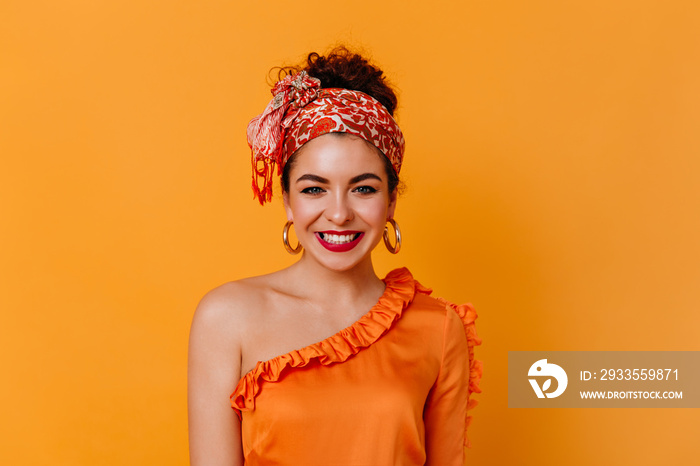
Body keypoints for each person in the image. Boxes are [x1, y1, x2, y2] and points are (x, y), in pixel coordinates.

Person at [187, 47, 482, 466]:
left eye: (363, 188)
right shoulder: (227, 317)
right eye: (314, 189)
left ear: (391, 201)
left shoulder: (439, 328)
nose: (340, 213)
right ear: (287, 200)